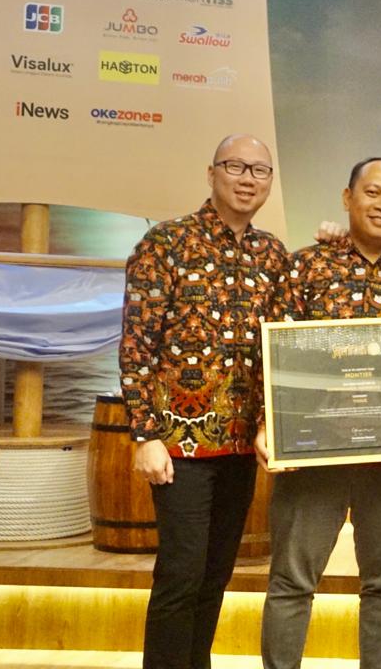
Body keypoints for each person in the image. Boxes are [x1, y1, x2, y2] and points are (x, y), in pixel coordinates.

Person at [258, 157, 381, 669]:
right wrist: (268, 423)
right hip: (312, 454)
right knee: (291, 582)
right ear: (348, 198)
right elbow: (273, 358)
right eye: (372, 192)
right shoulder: (305, 266)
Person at [120, 134, 289, 669]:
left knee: (215, 575)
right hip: (178, 447)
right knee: (181, 574)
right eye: (236, 166)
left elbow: (279, 347)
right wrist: (144, 435)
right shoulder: (166, 242)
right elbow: (137, 344)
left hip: (240, 447)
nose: (248, 179)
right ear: (211, 172)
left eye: (260, 170)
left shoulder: (273, 255)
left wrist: (268, 423)